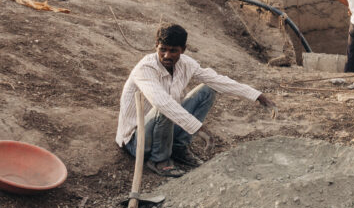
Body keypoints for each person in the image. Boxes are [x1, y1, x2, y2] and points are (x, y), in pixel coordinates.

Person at [115, 24, 275, 177]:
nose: (167, 56)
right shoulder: (145, 69)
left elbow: (217, 80)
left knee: (207, 90)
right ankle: (159, 160)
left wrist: (257, 96)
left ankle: (177, 146)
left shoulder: (186, 64)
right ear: (156, 45)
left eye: (173, 51)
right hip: (138, 140)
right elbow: (162, 103)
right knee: (165, 106)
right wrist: (198, 128)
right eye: (162, 49)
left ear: (183, 50)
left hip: (165, 129)